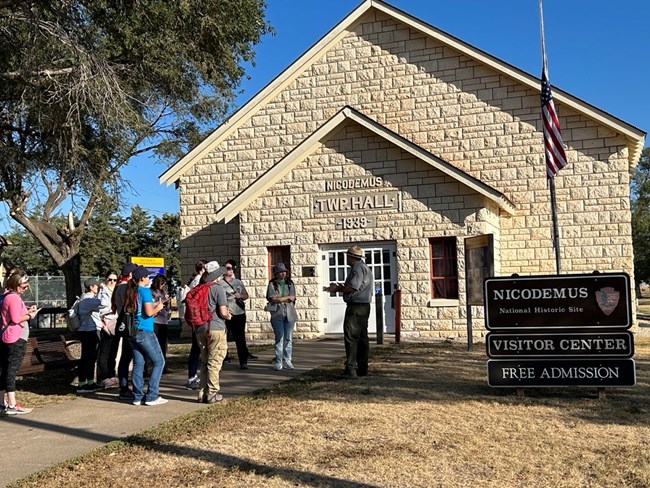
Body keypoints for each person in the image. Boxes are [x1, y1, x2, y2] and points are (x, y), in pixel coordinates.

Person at [323, 245, 373, 379]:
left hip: (355, 307)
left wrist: (336, 289)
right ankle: (363, 368)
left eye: (347, 256)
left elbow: (353, 288)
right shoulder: (365, 268)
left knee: (351, 337)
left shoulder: (357, 269)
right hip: (364, 307)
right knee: (362, 338)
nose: (346, 258)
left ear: (351, 257)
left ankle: (350, 369)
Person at [125, 266, 167, 406]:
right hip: (145, 330)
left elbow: (140, 311)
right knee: (159, 362)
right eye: (147, 276)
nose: (149, 278)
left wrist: (153, 308)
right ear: (142, 278)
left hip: (133, 331)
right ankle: (152, 396)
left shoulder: (133, 291)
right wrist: (158, 307)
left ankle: (137, 396)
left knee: (138, 363)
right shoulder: (145, 291)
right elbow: (149, 313)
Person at [0, 270, 37, 415]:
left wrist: (26, 310)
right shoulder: (14, 298)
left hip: (6, 336)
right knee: (11, 370)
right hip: (15, 338)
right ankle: (12, 403)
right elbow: (16, 319)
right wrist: (30, 315)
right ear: (16, 284)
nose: (25, 289)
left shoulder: (4, 296)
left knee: (5, 370)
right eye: (23, 287)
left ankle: (2, 403)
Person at [196, 262, 230, 403]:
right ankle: (212, 392)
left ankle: (202, 392)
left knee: (204, 360)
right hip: (215, 328)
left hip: (199, 329)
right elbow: (223, 312)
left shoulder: (199, 288)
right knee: (214, 361)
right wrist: (229, 316)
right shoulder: (217, 289)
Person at [220, 259, 257, 370]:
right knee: (223, 338)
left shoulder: (238, 282)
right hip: (227, 314)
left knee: (240, 338)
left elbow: (246, 295)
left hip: (239, 313)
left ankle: (243, 361)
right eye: (227, 268)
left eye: (232, 268)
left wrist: (240, 295)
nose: (230, 270)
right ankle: (222, 359)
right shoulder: (219, 284)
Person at [112, 262, 137, 400]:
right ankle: (128, 386)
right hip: (131, 324)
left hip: (123, 322)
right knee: (131, 356)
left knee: (125, 357)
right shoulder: (126, 287)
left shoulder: (118, 287)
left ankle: (123, 385)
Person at [76, 277, 105, 393]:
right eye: (97, 286)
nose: (98, 287)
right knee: (87, 357)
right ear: (91, 287)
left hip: (90, 330)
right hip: (88, 331)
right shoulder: (87, 300)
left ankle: (90, 382)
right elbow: (103, 303)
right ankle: (82, 384)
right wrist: (104, 290)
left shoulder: (88, 299)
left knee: (91, 357)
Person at [265, 263, 297, 371]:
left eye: (284, 271)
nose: (283, 273)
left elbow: (293, 297)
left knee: (288, 338)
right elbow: (273, 298)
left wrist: (282, 298)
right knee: (280, 337)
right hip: (277, 313)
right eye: (281, 272)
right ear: (276, 273)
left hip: (289, 312)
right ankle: (278, 361)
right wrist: (285, 298)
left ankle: (288, 360)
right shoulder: (272, 284)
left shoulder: (289, 283)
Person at [186, 259, 207, 390]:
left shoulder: (197, 280)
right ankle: (192, 377)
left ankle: (194, 376)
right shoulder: (198, 281)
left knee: (198, 348)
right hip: (198, 320)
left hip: (199, 319)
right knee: (196, 348)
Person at [97, 270, 119, 388]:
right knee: (105, 351)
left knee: (113, 352)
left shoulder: (117, 290)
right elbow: (99, 308)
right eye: (110, 279)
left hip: (115, 323)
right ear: (106, 279)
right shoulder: (102, 291)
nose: (112, 282)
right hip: (105, 323)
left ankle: (111, 375)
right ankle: (104, 377)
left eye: (114, 280)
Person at [151, 274, 170, 373]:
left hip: (164, 320)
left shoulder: (163, 292)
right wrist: (162, 300)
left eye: (164, 284)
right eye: (162, 283)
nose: (163, 286)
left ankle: (163, 366)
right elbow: (152, 305)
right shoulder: (151, 292)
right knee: (154, 344)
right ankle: (151, 366)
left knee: (163, 344)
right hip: (155, 321)